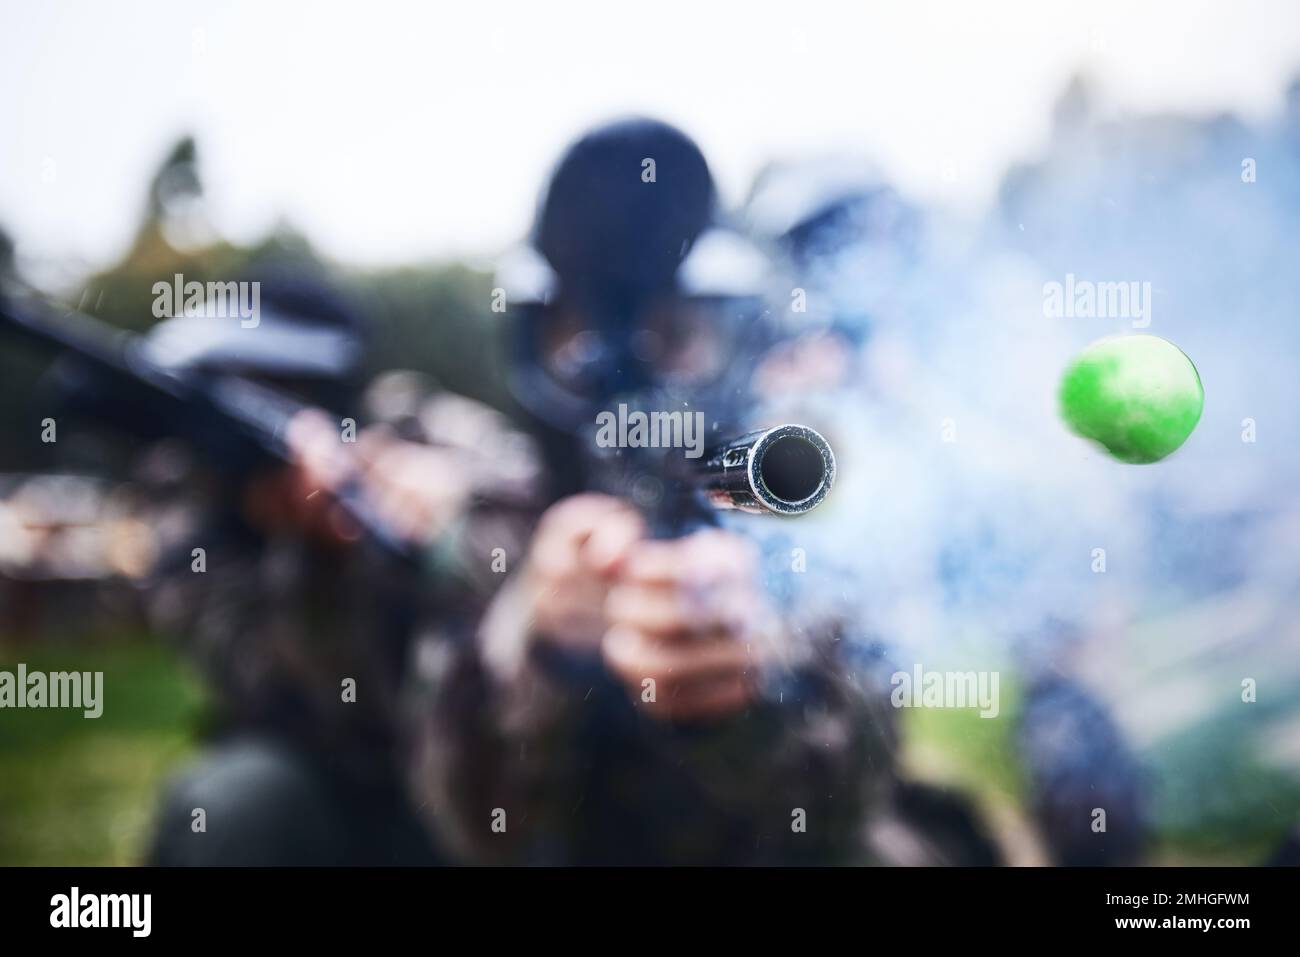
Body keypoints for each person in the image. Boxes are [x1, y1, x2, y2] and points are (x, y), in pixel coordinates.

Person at [405, 119, 896, 865]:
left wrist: (743, 694)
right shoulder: (493, 523)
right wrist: (538, 643)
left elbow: (854, 787)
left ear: (732, 342)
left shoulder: (790, 510)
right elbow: (457, 811)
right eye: (586, 340)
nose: (631, 376)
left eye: (672, 333)